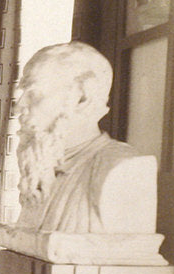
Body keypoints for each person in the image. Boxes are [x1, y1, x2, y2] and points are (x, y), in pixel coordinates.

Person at [12, 42, 158, 234]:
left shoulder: (123, 169)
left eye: (34, 94)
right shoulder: (40, 172)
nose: (19, 107)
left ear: (82, 98)